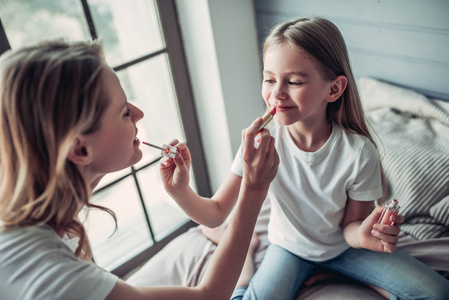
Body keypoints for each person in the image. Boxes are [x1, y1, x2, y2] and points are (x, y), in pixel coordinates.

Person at [160, 17, 449, 299]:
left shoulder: (359, 152)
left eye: (294, 82)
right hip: (288, 248)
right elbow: (215, 214)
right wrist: (179, 190)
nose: (276, 94)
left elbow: (351, 228)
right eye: (269, 79)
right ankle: (248, 257)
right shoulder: (260, 143)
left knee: (437, 292)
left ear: (333, 89)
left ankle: (333, 272)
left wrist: (364, 236)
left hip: (344, 250)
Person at [0, 40, 279, 300]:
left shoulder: (46, 221)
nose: (138, 114)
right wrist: (254, 189)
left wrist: (180, 192)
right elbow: (209, 296)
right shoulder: (55, 275)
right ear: (81, 151)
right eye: (123, 112)